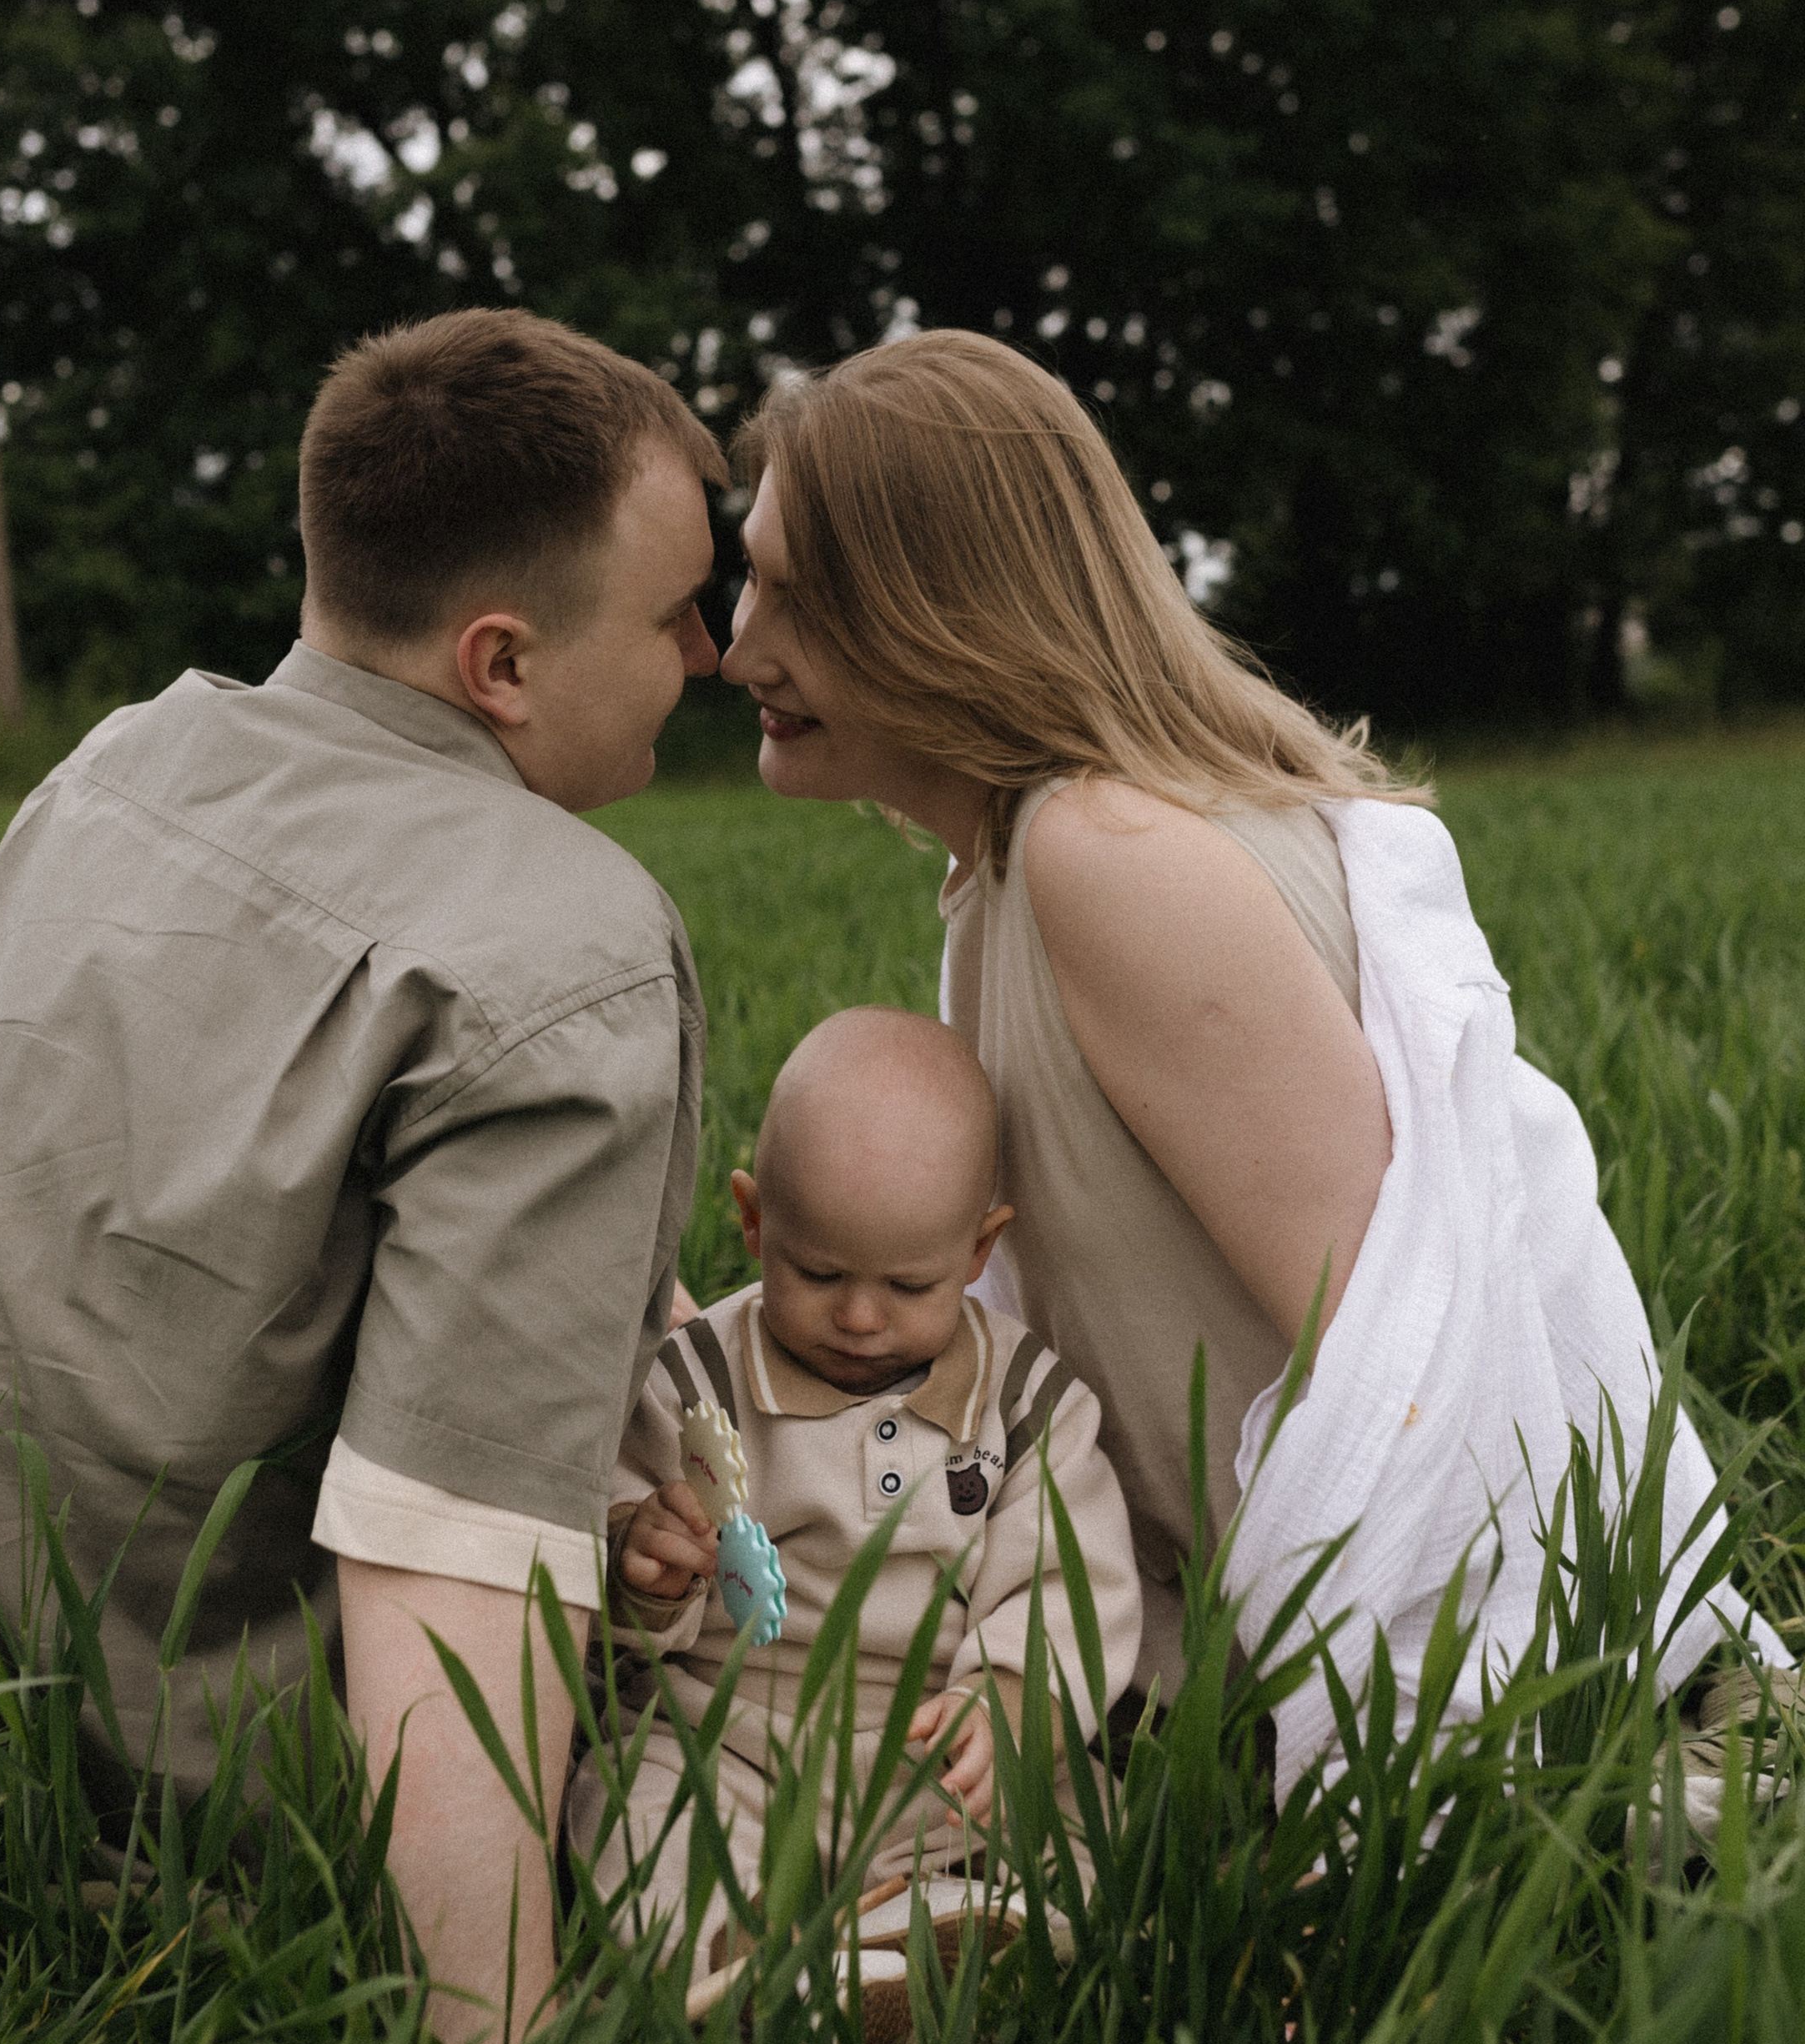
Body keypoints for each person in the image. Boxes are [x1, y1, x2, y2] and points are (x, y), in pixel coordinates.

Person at [0, 307, 727, 2044]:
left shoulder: (113, 766)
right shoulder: (570, 947)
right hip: (161, 1817)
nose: (707, 646)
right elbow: (450, 1557)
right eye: (675, 607)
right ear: (500, 662)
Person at [719, 329, 1780, 1787]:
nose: (737, 645)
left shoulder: (1108, 854)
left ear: (935, 610)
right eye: (747, 574)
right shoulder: (1009, 874)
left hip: (1447, 1678)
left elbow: (1409, 1367)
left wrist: (1361, 1765)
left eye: (793, 593)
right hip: (1225, 1650)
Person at [566, 1007, 1139, 1997]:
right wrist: (642, 1564)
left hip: (932, 1746)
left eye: (909, 1282)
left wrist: (1010, 1700)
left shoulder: (1030, 1404)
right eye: (818, 1271)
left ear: (978, 1248)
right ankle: (726, 1960)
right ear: (752, 1220)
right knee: (633, 1808)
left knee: (1069, 1817)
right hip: (726, 1731)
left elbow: (1069, 1583)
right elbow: (614, 1596)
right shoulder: (691, 1381)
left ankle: (943, 1930)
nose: (861, 1316)